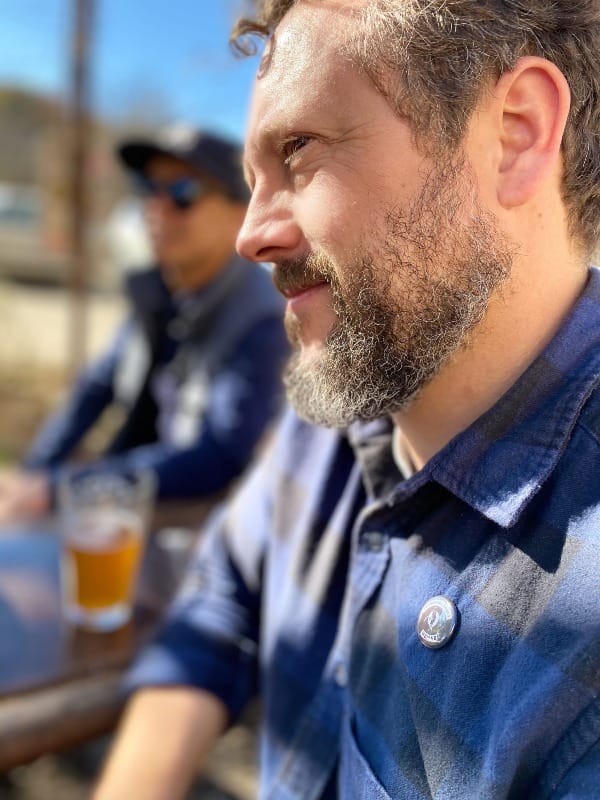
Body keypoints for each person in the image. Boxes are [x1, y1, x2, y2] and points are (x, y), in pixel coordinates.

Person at [95, 2, 600, 798]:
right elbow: (222, 595)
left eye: (298, 150)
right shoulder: (342, 401)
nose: (251, 236)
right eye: (254, 179)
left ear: (517, 132)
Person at [0, 126, 288, 520]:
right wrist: (34, 477)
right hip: (136, 495)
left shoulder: (264, 318)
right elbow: (94, 389)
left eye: (183, 192)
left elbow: (220, 454)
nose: (157, 207)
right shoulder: (159, 291)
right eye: (148, 187)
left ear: (241, 212)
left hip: (199, 525)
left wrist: (63, 489)